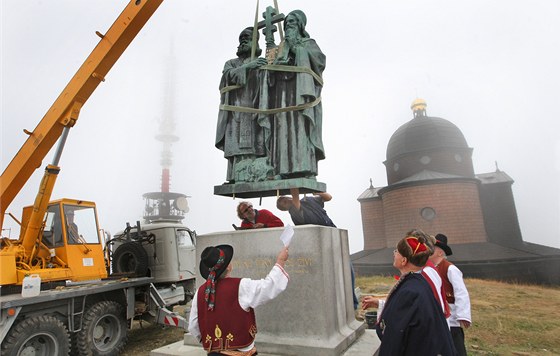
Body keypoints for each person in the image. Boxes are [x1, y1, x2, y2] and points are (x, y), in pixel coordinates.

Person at [258, 9, 326, 179]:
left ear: (301, 26)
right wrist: (269, 69)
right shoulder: (280, 48)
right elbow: (270, 73)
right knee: (281, 131)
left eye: (293, 23)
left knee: (300, 130)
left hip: (301, 94)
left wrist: (296, 49)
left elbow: (319, 61)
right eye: (287, 23)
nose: (289, 26)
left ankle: (305, 168)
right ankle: (282, 170)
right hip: (281, 94)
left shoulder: (308, 43)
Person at [365, 232, 456, 355]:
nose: (394, 254)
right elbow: (408, 310)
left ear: (404, 260)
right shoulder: (416, 281)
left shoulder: (418, 282)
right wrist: (380, 303)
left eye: (396, 251)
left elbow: (398, 329)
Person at [188, 244, 289, 355]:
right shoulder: (241, 286)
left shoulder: (200, 292)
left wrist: (211, 342)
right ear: (228, 267)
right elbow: (268, 287)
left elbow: (193, 325)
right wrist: (281, 261)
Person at [277, 188, 358, 310]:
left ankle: (353, 305)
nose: (286, 200)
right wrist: (295, 184)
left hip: (334, 234)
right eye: (283, 203)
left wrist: (318, 192)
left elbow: (328, 197)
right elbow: (295, 195)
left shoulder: (308, 199)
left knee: (347, 270)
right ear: (285, 208)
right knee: (333, 274)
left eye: (284, 198)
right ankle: (340, 306)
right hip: (321, 243)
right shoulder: (294, 211)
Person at [215, 27, 271, 183]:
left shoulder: (261, 62)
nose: (243, 41)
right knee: (235, 144)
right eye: (241, 38)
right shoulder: (231, 63)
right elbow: (226, 78)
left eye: (247, 38)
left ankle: (254, 175)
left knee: (255, 144)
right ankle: (234, 177)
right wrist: (247, 67)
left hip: (254, 110)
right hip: (235, 111)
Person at [362, 229, 450, 320]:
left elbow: (431, 311)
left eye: (399, 250)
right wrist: (379, 303)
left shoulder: (426, 272)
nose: (395, 253)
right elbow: (409, 305)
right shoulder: (416, 273)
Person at [430, 233, 472, 356]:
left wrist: (463, 315)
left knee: (455, 347)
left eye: (432, 249)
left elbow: (461, 292)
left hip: (452, 317)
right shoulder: (430, 269)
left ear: (440, 253)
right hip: (437, 316)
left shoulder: (450, 269)